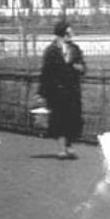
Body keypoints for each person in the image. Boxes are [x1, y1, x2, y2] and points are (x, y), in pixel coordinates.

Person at [39, 20, 86, 159]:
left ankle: (69, 145)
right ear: (62, 34)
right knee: (59, 118)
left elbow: (83, 65)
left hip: (72, 90)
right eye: (69, 32)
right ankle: (61, 148)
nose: (71, 35)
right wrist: (42, 93)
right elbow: (46, 72)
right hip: (57, 90)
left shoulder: (75, 49)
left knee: (73, 118)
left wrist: (81, 68)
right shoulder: (51, 50)